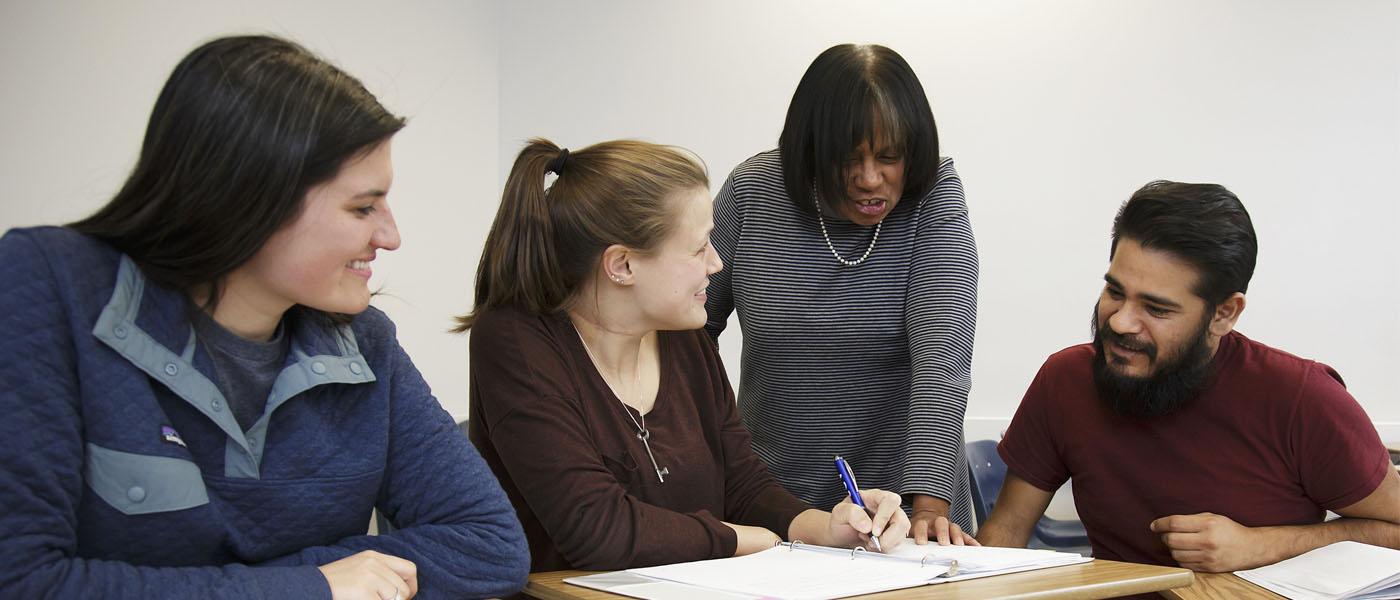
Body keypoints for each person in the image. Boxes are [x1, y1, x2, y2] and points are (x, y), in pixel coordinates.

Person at [0, 35, 528, 599]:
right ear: (250, 195)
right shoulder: (50, 284)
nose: (390, 236)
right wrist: (308, 587)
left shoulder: (366, 343)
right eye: (362, 207)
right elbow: (22, 580)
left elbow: (490, 546)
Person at [460, 138, 912, 572]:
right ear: (623, 265)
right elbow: (596, 529)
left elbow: (744, 487)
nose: (716, 263)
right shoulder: (515, 342)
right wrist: (737, 539)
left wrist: (826, 528)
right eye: (698, 248)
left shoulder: (682, 334)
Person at [961, 181, 1400, 571]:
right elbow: (1009, 528)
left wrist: (1263, 544)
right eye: (1115, 291)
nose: (1120, 323)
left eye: (1156, 309)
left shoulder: (1303, 398)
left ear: (1224, 314)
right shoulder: (1065, 380)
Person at [704, 43, 979, 544]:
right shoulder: (752, 192)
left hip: (903, 505)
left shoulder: (933, 195)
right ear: (808, 152)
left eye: (890, 158)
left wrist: (928, 508)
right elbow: (687, 331)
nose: (870, 179)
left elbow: (943, 358)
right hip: (774, 499)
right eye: (847, 160)